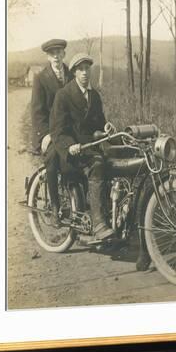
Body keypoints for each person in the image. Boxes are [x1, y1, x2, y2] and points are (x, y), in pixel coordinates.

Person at [50, 53, 115, 241]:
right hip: (73, 152)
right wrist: (70, 145)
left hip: (91, 147)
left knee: (113, 163)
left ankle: (112, 215)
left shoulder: (94, 96)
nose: (85, 73)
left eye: (87, 68)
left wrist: (105, 128)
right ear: (74, 72)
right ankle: (98, 224)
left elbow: (98, 123)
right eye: (80, 69)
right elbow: (57, 130)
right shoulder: (63, 95)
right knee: (97, 165)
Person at [31, 38, 71, 225]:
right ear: (48, 56)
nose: (56, 56)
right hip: (48, 133)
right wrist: (45, 134)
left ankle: (79, 202)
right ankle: (55, 206)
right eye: (52, 53)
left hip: (67, 131)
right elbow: (37, 112)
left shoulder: (71, 74)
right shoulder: (41, 78)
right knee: (54, 157)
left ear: (64, 54)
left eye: (59, 52)